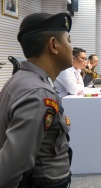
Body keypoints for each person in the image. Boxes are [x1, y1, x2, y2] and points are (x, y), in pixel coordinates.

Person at [0, 13, 72, 187]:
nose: (72, 47)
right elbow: (10, 169)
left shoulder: (22, 80)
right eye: (69, 40)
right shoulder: (38, 93)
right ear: (54, 45)